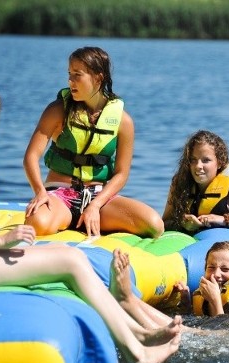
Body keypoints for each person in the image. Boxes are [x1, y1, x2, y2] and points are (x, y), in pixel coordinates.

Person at [0, 73, 181, 363]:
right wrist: (1, 239)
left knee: (64, 252)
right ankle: (138, 353)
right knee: (71, 262)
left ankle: (137, 332)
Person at [23, 46, 164, 238]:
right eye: (69, 74)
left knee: (154, 225)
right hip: (60, 194)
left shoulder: (124, 121)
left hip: (100, 198)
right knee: (37, 224)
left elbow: (121, 174)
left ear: (98, 78)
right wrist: (40, 192)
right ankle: (67, 218)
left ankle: (86, 219)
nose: (70, 81)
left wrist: (95, 206)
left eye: (77, 75)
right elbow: (30, 157)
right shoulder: (57, 110)